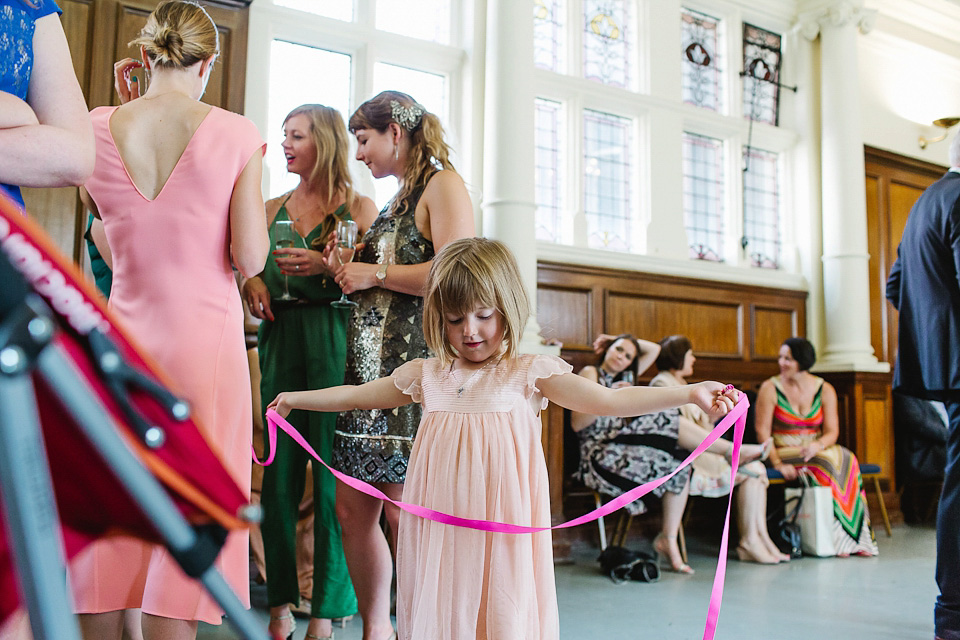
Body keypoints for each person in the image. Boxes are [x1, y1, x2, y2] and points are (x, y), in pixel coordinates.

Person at [268, 237, 740, 639]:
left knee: (500, 610)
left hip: (504, 523)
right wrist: (294, 398)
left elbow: (606, 401)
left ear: (507, 308)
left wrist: (690, 393)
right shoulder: (426, 374)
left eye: (482, 316)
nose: (469, 332)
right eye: (454, 321)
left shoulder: (528, 373)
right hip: (442, 527)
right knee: (446, 607)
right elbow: (356, 396)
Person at [68, 3, 269, 639]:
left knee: (113, 521)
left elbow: (103, 232)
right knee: (188, 522)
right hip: (205, 352)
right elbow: (251, 257)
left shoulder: (95, 127)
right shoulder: (236, 132)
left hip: (123, 344)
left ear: (147, 57)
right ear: (208, 63)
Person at [330, 90, 474, 640]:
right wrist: (342, 269)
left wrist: (376, 274)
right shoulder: (394, 199)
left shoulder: (442, 184)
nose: (359, 155)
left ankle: (422, 626)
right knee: (352, 508)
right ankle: (375, 629)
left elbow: (458, 269)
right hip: (366, 375)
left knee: (403, 513)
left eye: (363, 141)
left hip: (413, 374)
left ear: (396, 131)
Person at [241, 104, 378, 640]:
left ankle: (324, 613)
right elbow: (242, 263)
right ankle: (278, 606)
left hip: (334, 345)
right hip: (279, 345)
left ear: (323, 141)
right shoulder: (269, 206)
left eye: (297, 136)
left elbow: (374, 283)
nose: (286, 145)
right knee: (277, 482)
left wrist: (328, 267)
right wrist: (250, 281)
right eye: (283, 136)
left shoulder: (359, 209)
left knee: (331, 487)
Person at [572, 334, 766, 574]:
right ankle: (728, 450)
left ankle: (668, 538)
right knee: (666, 416)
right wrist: (610, 394)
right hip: (599, 454)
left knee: (679, 463)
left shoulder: (627, 377)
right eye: (618, 350)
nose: (621, 357)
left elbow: (653, 349)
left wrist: (617, 340)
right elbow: (578, 424)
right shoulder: (592, 373)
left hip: (626, 447)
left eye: (628, 356)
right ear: (606, 350)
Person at [886, 133, 960, 640]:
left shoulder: (923, 203)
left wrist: (938, 334)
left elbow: (896, 287)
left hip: (946, 369)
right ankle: (954, 616)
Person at [650, 335, 787, 564]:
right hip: (686, 458)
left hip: (706, 453)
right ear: (678, 358)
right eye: (689, 354)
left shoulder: (685, 385)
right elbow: (675, 429)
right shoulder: (661, 384)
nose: (693, 359)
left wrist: (718, 413)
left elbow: (702, 425)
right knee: (752, 469)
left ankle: (757, 538)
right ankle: (751, 541)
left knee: (757, 469)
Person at [754, 337, 879, 558]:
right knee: (826, 462)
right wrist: (777, 463)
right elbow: (763, 432)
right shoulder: (770, 388)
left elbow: (832, 432)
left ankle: (857, 537)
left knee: (847, 457)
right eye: (781, 357)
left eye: (788, 359)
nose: (781, 362)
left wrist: (817, 445)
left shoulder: (825, 389)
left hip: (815, 447)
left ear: (803, 362)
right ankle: (836, 540)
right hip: (782, 450)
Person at [1, 0, 94, 210]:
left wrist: (17, 111)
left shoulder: (34, 5)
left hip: (7, 231)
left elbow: (76, 157)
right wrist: (17, 114)